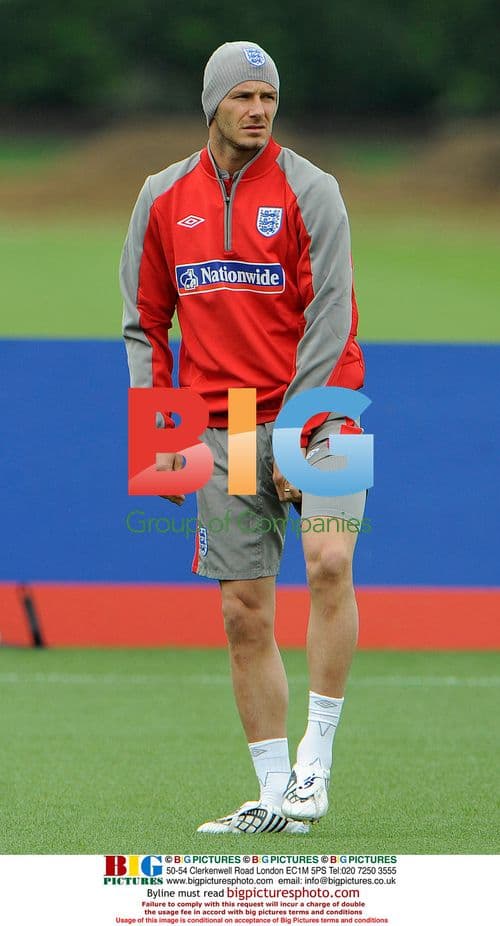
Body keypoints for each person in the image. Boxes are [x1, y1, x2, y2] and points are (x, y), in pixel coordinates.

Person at [120, 41, 366, 835]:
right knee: (243, 613)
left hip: (323, 408)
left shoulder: (312, 189)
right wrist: (161, 434)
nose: (258, 109)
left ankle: (313, 768)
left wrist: (297, 427)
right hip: (222, 420)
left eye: (267, 96)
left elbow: (332, 313)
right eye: (243, 97)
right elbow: (145, 322)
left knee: (330, 562)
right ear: (212, 104)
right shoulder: (162, 198)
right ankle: (269, 797)